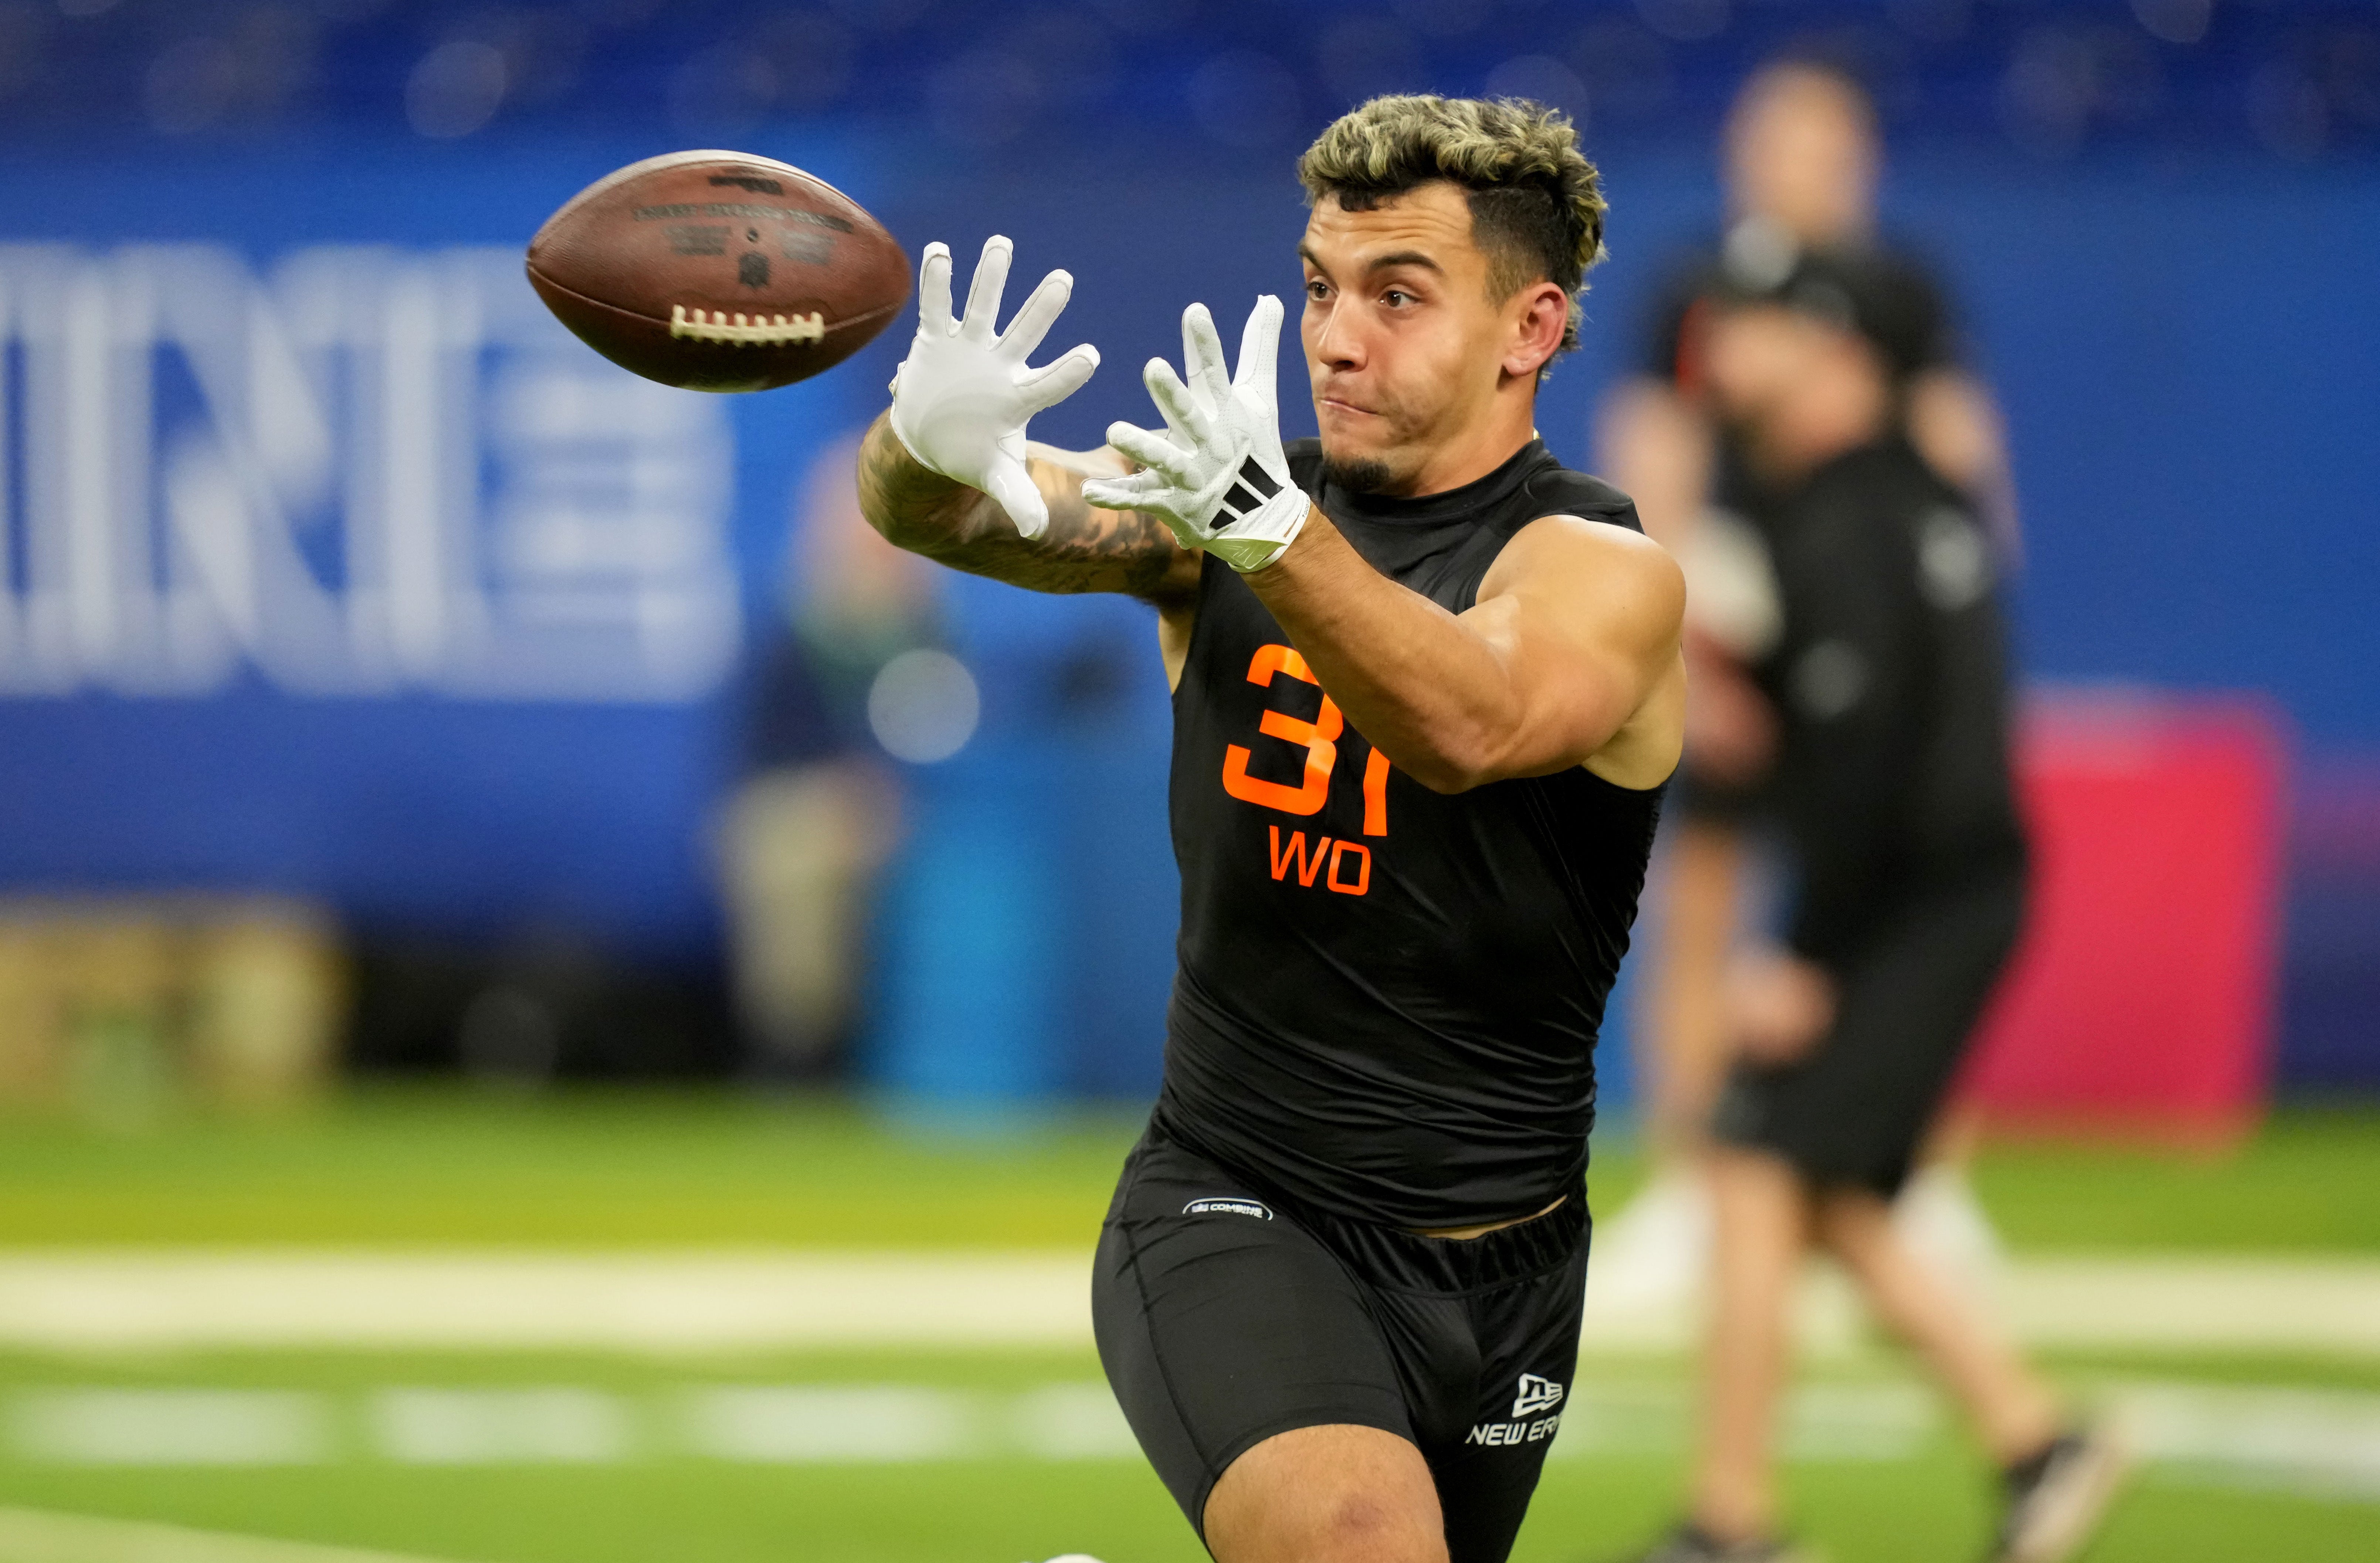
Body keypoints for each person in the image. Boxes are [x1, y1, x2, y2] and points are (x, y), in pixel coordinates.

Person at [855, 95, 1684, 1563]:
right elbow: (970, 514)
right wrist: (917, 451)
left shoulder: (1600, 572)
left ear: (1530, 327)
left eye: (1397, 295)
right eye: (1317, 288)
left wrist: (1271, 534)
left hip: (1508, 1263)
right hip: (1241, 1205)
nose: (1335, 337)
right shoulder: (1221, 513)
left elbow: (1471, 723)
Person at [1619, 250, 2125, 1563]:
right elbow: (1863, 736)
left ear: (1834, 349)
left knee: (1753, 1156)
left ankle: (1733, 1525)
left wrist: (1807, 952)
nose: (1723, 343)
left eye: (1758, 323)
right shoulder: (1864, 499)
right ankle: (2031, 1438)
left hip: (1922, 900)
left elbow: (1889, 771)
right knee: (1811, 1184)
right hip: (1938, 886)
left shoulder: (1853, 518)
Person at [1591, 56, 2017, 1312]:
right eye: (1782, 143)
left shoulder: (1898, 291)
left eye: (1826, 146)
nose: (1804, 168)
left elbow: (1960, 452)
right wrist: (1677, 644)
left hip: (1877, 640)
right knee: (1702, 899)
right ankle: (1687, 1176)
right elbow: (1654, 454)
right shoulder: (1700, 287)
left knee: (1916, 896)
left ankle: (1917, 1168)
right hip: (1752, 635)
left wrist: (1968, 631)